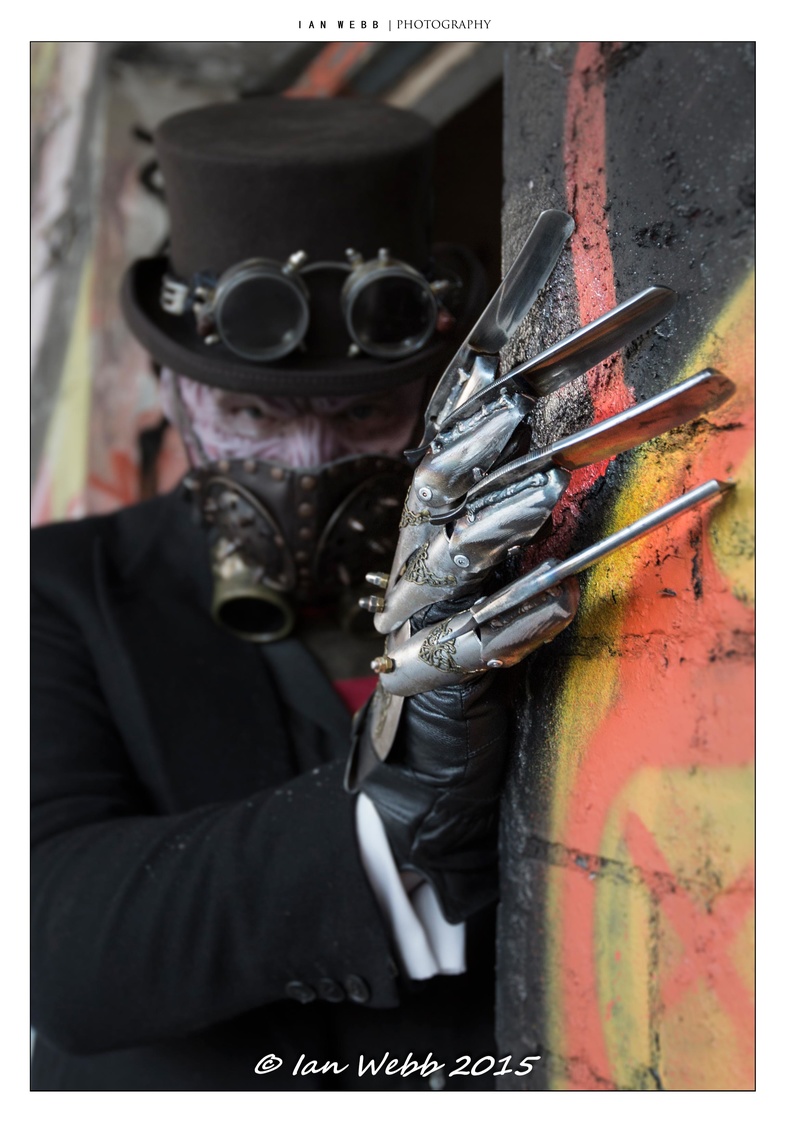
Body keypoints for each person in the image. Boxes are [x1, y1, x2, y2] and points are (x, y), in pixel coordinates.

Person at [31, 96, 577, 1091]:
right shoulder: (58, 591)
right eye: (249, 411)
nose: (305, 464)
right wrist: (385, 818)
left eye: (362, 413)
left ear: (425, 400)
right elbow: (55, 943)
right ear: (173, 395)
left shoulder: (529, 572)